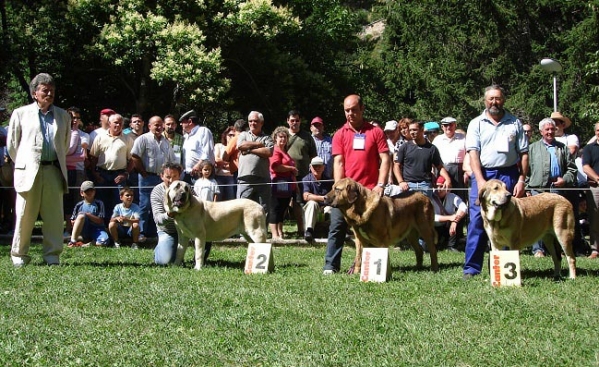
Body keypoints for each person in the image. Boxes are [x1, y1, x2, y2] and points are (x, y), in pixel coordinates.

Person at [463, 84, 529, 279]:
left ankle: (505, 270)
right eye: (491, 99)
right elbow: (473, 153)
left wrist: (522, 179)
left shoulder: (514, 123)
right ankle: (472, 269)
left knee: (509, 219)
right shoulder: (476, 123)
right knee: (477, 220)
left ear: (503, 100)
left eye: (498, 98)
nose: (494, 102)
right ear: (485, 101)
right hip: (483, 174)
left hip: (509, 174)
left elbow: (524, 153)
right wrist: (481, 180)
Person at [7, 73, 71, 266]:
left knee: (54, 216)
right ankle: (19, 256)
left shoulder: (63, 115)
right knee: (25, 215)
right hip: (28, 171)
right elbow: (12, 146)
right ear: (35, 93)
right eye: (45, 90)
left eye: (52, 90)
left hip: (53, 169)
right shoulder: (20, 113)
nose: (49, 93)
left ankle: (52, 256)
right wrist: (25, 163)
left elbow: (65, 144)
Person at [323, 94, 390, 274]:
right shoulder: (339, 134)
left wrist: (381, 184)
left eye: (354, 110)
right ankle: (331, 266)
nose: (350, 114)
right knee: (337, 226)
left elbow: (385, 159)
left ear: (362, 109)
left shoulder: (375, 132)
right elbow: (338, 162)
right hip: (345, 193)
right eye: (347, 110)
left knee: (372, 230)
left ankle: (370, 266)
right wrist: (337, 190)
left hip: (369, 194)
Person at [526, 117, 578, 257]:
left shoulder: (563, 148)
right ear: (541, 131)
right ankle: (538, 250)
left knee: (557, 221)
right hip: (537, 189)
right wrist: (527, 189)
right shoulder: (532, 148)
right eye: (547, 129)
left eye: (552, 129)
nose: (550, 132)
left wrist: (565, 179)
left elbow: (572, 169)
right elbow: (525, 171)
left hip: (557, 190)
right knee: (535, 220)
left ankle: (558, 249)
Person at [130, 115, 176, 241]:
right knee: (145, 205)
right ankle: (142, 233)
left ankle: (157, 231)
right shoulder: (143, 139)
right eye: (156, 124)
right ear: (149, 126)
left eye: (161, 125)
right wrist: (143, 172)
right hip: (147, 177)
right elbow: (134, 156)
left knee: (161, 205)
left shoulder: (166, 141)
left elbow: (172, 160)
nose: (159, 127)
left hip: (162, 179)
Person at [88, 113, 135, 227]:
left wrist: (125, 174)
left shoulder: (128, 139)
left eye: (120, 123)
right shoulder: (99, 137)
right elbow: (93, 157)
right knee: (101, 203)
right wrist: (95, 173)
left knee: (119, 204)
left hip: (119, 175)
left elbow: (132, 159)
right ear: (109, 123)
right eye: (115, 122)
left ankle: (117, 230)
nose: (118, 125)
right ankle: (102, 229)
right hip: (102, 174)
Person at [393, 120, 452, 198]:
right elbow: (396, 165)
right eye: (410, 130)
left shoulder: (432, 148)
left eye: (414, 130)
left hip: (425, 186)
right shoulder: (405, 147)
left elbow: (440, 167)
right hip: (408, 186)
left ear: (422, 130)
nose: (412, 132)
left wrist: (447, 179)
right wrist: (401, 182)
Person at [285, 110, 318, 236]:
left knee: (299, 203)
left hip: (302, 175)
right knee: (282, 202)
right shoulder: (283, 135)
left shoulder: (307, 136)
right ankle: (278, 232)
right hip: (285, 175)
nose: (295, 123)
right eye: (292, 120)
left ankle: (301, 230)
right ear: (288, 121)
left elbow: (313, 156)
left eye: (297, 120)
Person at [236, 111, 274, 217]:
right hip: (245, 178)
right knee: (242, 208)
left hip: (263, 178)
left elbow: (268, 152)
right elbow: (241, 146)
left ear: (261, 123)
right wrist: (258, 144)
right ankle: (243, 234)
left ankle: (262, 233)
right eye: (250, 121)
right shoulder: (243, 135)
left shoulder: (267, 138)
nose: (253, 123)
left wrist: (248, 150)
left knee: (264, 209)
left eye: (256, 121)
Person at [64, 107, 90, 236]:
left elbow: (82, 157)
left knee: (76, 201)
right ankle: (65, 228)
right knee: (64, 200)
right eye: (73, 117)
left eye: (77, 118)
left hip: (77, 171)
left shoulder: (83, 135)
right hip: (61, 170)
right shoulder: (62, 133)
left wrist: (65, 158)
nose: (75, 120)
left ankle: (74, 230)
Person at [269, 126, 298, 239]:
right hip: (277, 182)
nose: (283, 139)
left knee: (283, 208)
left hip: (287, 184)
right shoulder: (275, 150)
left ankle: (280, 231)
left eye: (285, 137)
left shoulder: (284, 151)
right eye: (280, 137)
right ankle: (275, 234)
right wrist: (291, 169)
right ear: (275, 138)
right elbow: (275, 167)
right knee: (275, 208)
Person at [152, 163, 183, 265]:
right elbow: (158, 220)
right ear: (161, 176)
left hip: (188, 229)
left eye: (175, 177)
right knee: (164, 261)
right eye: (168, 177)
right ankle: (159, 250)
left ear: (180, 176)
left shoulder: (186, 188)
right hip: (168, 231)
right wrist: (169, 215)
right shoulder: (157, 191)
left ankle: (199, 260)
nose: (171, 181)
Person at [68, 181, 110, 248]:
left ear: (94, 191)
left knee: (104, 241)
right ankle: (73, 241)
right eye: (86, 191)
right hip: (84, 229)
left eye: (91, 190)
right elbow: (72, 221)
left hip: (97, 229)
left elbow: (100, 220)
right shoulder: (79, 205)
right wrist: (77, 221)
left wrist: (87, 214)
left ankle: (84, 244)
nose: (89, 192)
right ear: (82, 193)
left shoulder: (99, 203)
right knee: (81, 216)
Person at [431, 176, 467, 252]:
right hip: (434, 227)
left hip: (448, 226)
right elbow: (432, 217)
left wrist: (455, 221)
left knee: (461, 217)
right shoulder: (431, 197)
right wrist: (449, 218)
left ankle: (451, 246)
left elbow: (464, 207)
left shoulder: (452, 196)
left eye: (441, 186)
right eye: (437, 186)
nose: (439, 189)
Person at [302, 156, 333, 243]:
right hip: (313, 208)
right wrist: (323, 198)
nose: (317, 168)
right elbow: (306, 196)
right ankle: (309, 231)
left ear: (324, 167)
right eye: (314, 166)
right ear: (310, 167)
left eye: (319, 166)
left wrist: (313, 196)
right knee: (312, 203)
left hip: (326, 207)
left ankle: (333, 231)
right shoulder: (306, 179)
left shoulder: (329, 181)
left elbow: (332, 197)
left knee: (331, 209)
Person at [180, 109, 215, 184]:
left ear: (189, 122)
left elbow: (207, 152)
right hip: (187, 174)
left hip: (201, 174)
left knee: (202, 195)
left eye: (182, 122)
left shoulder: (203, 131)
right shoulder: (186, 137)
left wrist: (199, 165)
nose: (181, 124)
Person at [583, 122, 599, 259]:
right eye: (598, 130)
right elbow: (585, 167)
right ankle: (595, 249)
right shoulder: (589, 148)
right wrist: (598, 178)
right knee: (595, 218)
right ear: (595, 132)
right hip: (595, 187)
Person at [214, 126, 236, 201]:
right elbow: (216, 159)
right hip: (219, 176)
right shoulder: (219, 146)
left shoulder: (237, 149)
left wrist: (222, 164)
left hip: (232, 177)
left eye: (234, 135)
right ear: (225, 136)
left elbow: (237, 165)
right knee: (217, 201)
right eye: (230, 135)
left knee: (231, 201)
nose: (232, 137)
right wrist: (229, 164)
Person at [223, 119, 247, 183]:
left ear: (234, 128)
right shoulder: (249, 138)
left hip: (238, 170)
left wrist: (229, 159)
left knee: (238, 191)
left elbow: (225, 156)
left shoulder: (236, 139)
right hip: (248, 169)